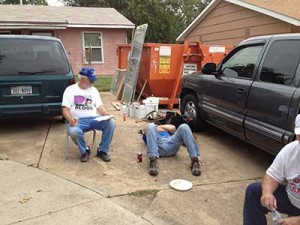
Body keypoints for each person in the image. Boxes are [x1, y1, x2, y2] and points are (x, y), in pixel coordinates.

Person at [243, 114, 300, 225]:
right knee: (254, 191)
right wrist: (267, 193)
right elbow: (272, 175)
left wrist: (297, 221)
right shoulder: (291, 149)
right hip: (291, 201)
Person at [62, 67, 115, 163]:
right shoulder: (70, 90)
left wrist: (106, 114)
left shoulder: (93, 90)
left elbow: (100, 107)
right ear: (82, 79)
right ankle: (85, 150)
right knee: (74, 131)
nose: (92, 82)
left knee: (111, 123)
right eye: (90, 80)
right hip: (77, 120)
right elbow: (65, 109)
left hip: (94, 119)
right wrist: (71, 120)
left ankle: (102, 150)